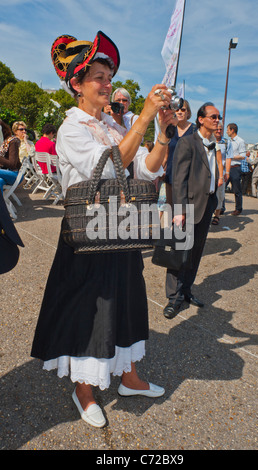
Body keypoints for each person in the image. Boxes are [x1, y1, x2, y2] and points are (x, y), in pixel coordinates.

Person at [31, 30, 177, 428]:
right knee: (89, 308)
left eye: (109, 76)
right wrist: (143, 117)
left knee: (127, 302)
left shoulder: (113, 126)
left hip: (121, 227)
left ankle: (129, 377)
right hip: (88, 232)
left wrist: (162, 131)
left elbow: (144, 169)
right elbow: (109, 166)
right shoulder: (71, 128)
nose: (108, 84)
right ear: (77, 85)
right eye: (99, 77)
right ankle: (84, 389)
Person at [163, 102, 221, 319]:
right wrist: (179, 209)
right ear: (201, 119)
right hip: (187, 207)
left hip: (207, 205)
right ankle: (173, 297)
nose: (217, 120)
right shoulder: (188, 142)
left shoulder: (213, 143)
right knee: (180, 251)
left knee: (195, 252)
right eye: (213, 117)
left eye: (219, 117)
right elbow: (179, 179)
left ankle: (186, 290)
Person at [164, 100, 196, 207]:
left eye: (183, 109)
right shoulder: (170, 129)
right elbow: (166, 153)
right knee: (171, 208)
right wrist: (160, 169)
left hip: (189, 177)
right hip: (171, 175)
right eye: (177, 109)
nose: (180, 112)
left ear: (188, 112)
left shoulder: (195, 130)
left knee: (188, 210)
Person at [212, 123, 233, 225]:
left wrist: (227, 172)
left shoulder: (226, 143)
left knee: (220, 195)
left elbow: (228, 158)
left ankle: (216, 216)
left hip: (221, 173)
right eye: (217, 129)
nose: (218, 131)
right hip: (209, 173)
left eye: (220, 129)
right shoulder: (208, 140)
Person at [226, 123, 246, 215]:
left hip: (235, 168)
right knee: (221, 188)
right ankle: (221, 208)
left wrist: (231, 157)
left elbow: (243, 156)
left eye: (228, 130)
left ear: (232, 130)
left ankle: (238, 209)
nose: (226, 131)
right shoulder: (228, 141)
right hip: (227, 167)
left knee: (236, 190)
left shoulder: (240, 141)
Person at [0, 120, 21, 193]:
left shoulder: (12, 141)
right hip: (4, 173)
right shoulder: (2, 143)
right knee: (0, 181)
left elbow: (12, 164)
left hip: (14, 174)